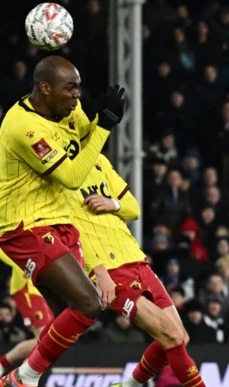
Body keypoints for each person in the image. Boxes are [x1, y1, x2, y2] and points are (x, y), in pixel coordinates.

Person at [0, 56, 125, 387]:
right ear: (45, 88)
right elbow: (71, 176)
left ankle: (20, 378)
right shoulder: (22, 127)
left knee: (70, 319)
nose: (77, 96)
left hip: (60, 221)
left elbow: (85, 139)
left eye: (79, 88)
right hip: (23, 226)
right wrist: (104, 127)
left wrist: (100, 120)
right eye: (70, 88)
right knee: (89, 303)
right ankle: (22, 378)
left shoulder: (67, 110)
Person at [72, 154, 203, 387]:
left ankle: (129, 386)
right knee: (172, 337)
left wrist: (113, 204)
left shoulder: (99, 160)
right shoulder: (62, 171)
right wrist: (98, 271)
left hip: (135, 258)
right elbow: (69, 230)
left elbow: (133, 209)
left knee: (180, 337)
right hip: (110, 268)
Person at [0, 261, 53, 374]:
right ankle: (4, 364)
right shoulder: (17, 246)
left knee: (48, 340)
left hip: (39, 293)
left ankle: (22, 372)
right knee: (45, 339)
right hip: (27, 290)